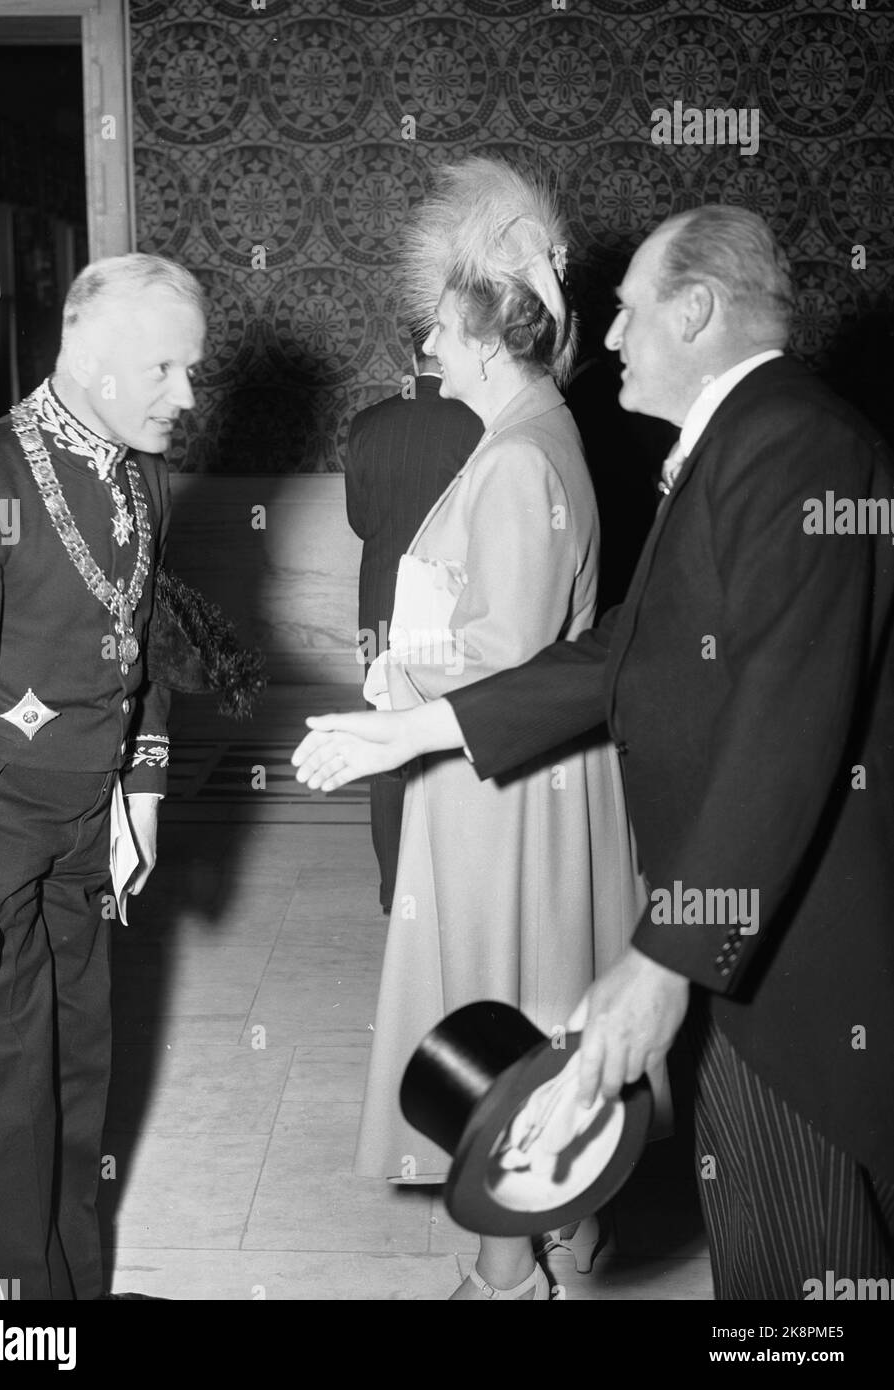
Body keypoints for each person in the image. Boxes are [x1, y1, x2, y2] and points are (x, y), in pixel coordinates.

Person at [293, 205, 894, 1300]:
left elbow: (784, 728)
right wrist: (419, 725)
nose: (603, 336)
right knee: (762, 1245)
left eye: (627, 312)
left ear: (698, 310)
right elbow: (619, 651)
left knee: (810, 1265)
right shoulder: (736, 440)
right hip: (737, 931)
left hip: (791, 960)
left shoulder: (800, 445)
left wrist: (664, 963)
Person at [350, 158, 647, 1301]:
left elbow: (512, 665)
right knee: (536, 1001)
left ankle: (504, 1261)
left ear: (473, 330)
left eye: (435, 321)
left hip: (501, 794)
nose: (425, 338)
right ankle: (574, 1229)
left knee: (501, 1008)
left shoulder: (521, 453)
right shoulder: (525, 427)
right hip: (510, 781)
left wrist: (398, 690)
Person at [0, 252, 205, 1300]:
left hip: (87, 827)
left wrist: (141, 786)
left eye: (194, 369)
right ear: (87, 357)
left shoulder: (141, 471)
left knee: (80, 1074)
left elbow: (148, 634)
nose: (188, 395)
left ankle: (76, 1298)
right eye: (166, 368)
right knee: (6, 1098)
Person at [345, 326, 481, 913]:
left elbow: (361, 520)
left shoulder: (368, 423)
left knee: (387, 746)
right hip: (455, 605)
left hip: (381, 605)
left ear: (411, 353)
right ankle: (458, 886)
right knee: (459, 736)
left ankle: (395, 889)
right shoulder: (483, 422)